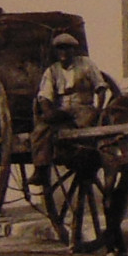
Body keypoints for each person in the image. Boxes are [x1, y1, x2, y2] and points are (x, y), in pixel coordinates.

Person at [29, 32, 108, 186]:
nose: (64, 53)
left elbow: (101, 86)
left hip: (84, 108)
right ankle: (40, 168)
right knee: (40, 130)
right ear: (56, 52)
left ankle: (88, 159)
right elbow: (44, 96)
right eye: (60, 49)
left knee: (86, 132)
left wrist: (99, 109)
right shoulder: (52, 71)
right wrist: (48, 113)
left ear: (74, 50)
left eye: (67, 49)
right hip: (63, 111)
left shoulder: (86, 64)